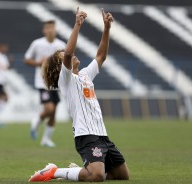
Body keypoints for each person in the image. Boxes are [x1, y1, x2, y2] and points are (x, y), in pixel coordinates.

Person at [29, 7, 130, 182]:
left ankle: (82, 170)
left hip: (102, 134)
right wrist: (77, 25)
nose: (72, 55)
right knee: (97, 176)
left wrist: (106, 28)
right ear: (61, 67)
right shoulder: (65, 79)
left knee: (122, 176)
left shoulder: (84, 75)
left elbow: (101, 56)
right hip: (86, 136)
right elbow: (68, 52)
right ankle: (55, 171)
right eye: (65, 57)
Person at [24, 20, 65, 147]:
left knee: (53, 112)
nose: (50, 30)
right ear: (44, 30)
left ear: (56, 30)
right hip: (42, 82)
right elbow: (26, 59)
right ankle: (37, 119)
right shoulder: (37, 43)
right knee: (49, 109)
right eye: (48, 28)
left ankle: (46, 139)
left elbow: (65, 62)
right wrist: (38, 63)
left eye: (52, 28)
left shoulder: (61, 44)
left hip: (56, 82)